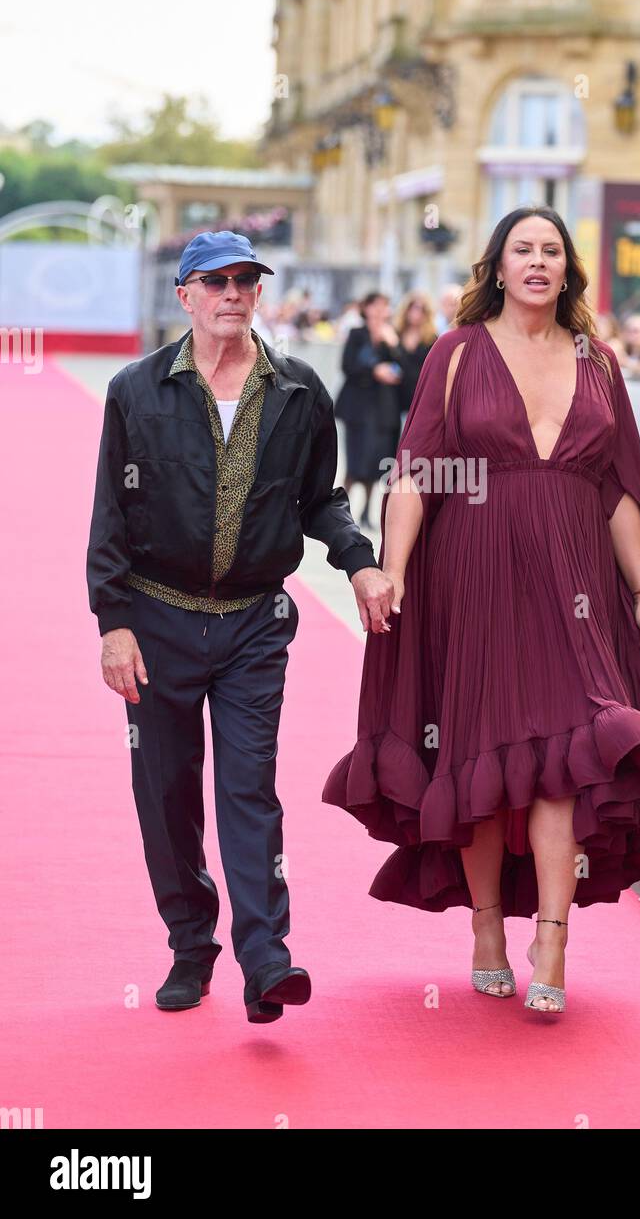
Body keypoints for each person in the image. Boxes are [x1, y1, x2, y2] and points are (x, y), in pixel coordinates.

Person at [322, 207, 640, 1018]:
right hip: (473, 577)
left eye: (551, 251)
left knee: (571, 756)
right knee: (482, 757)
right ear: (496, 268)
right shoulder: (457, 354)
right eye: (521, 250)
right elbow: (415, 472)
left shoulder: (598, 362)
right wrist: (392, 569)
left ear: (568, 269)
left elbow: (617, 493)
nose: (537, 262)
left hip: (575, 583)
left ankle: (553, 938)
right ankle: (486, 931)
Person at [86, 230, 392, 1024]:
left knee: (249, 786)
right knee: (167, 794)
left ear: (259, 294)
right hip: (156, 623)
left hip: (257, 622)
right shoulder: (136, 390)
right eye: (215, 281)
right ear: (184, 295)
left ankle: (267, 958)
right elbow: (110, 517)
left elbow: (320, 497)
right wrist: (113, 623)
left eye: (246, 281)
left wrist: (358, 561)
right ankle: (192, 945)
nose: (232, 294)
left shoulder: (298, 390)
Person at [334, 292, 405, 528]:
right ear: (366, 308)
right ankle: (340, 510)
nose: (379, 311)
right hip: (358, 406)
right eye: (375, 306)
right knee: (355, 460)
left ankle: (365, 512)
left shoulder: (392, 335)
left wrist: (393, 344)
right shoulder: (357, 334)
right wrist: (374, 371)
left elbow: (404, 369)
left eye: (384, 306)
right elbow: (347, 365)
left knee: (376, 462)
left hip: (382, 408)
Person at [392, 290, 438, 414]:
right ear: (406, 310)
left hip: (418, 398)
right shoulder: (395, 333)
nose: (416, 313)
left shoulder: (432, 339)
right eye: (412, 307)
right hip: (394, 397)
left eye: (421, 309)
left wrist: (396, 347)